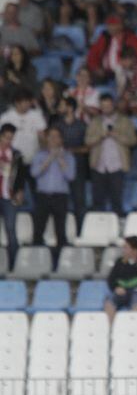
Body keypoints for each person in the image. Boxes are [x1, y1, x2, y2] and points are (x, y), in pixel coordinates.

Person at [85, 94, 136, 218]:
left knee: (116, 200)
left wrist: (116, 135)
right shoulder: (95, 122)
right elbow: (87, 141)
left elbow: (133, 140)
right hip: (99, 165)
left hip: (117, 165)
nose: (106, 108)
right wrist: (101, 135)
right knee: (98, 200)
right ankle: (98, 229)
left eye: (108, 106)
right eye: (103, 106)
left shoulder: (125, 121)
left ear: (113, 105)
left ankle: (117, 228)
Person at [30, 127, 75, 260]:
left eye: (57, 137)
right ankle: (36, 260)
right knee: (38, 229)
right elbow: (34, 173)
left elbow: (71, 176)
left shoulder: (68, 156)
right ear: (47, 138)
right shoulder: (39, 155)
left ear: (61, 139)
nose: (54, 140)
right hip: (42, 196)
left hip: (60, 196)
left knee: (60, 231)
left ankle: (61, 261)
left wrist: (60, 159)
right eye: (51, 136)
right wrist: (49, 158)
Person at [104, 236, 137, 322]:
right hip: (123, 293)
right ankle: (110, 330)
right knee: (109, 302)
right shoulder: (120, 262)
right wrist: (116, 288)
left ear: (134, 250)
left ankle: (133, 331)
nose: (123, 250)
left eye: (126, 247)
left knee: (136, 302)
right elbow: (111, 279)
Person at [55, 97, 88, 231]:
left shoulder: (82, 125)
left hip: (77, 168)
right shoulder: (57, 125)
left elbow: (87, 147)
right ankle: (61, 232)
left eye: (62, 105)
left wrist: (70, 150)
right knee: (59, 203)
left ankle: (81, 232)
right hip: (59, 168)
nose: (60, 108)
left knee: (79, 202)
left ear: (70, 108)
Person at [87, 15, 137, 83]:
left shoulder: (131, 38)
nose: (109, 27)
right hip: (105, 74)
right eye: (108, 25)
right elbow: (92, 55)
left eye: (112, 25)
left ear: (121, 26)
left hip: (126, 73)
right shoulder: (104, 37)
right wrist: (96, 68)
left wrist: (127, 65)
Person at [0, 123, 26, 271]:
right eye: (6, 138)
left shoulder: (16, 155)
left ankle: (13, 266)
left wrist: (20, 190)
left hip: (8, 197)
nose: (8, 141)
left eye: (11, 139)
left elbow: (21, 176)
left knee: (11, 230)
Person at [0, 89, 47, 163]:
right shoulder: (5, 117)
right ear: (16, 102)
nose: (27, 104)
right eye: (25, 101)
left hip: (32, 159)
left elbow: (42, 137)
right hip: (11, 159)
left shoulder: (37, 115)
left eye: (29, 101)